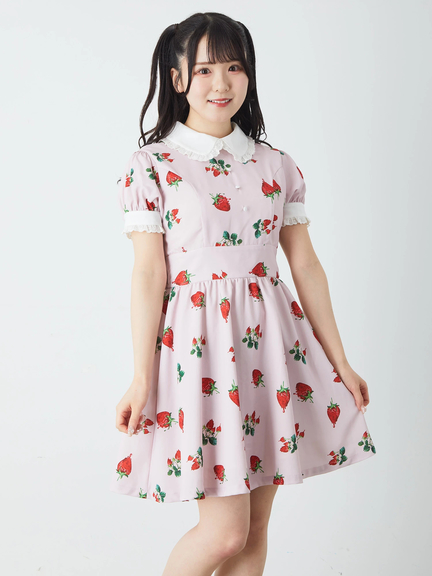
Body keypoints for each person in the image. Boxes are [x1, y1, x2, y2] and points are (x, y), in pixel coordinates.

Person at [109, 12, 377, 576]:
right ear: (177, 78)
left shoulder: (275, 164)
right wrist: (140, 377)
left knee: (253, 532)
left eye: (234, 67)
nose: (221, 83)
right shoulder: (153, 166)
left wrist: (340, 361)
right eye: (205, 69)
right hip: (200, 355)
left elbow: (305, 264)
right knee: (224, 533)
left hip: (272, 351)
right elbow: (148, 275)